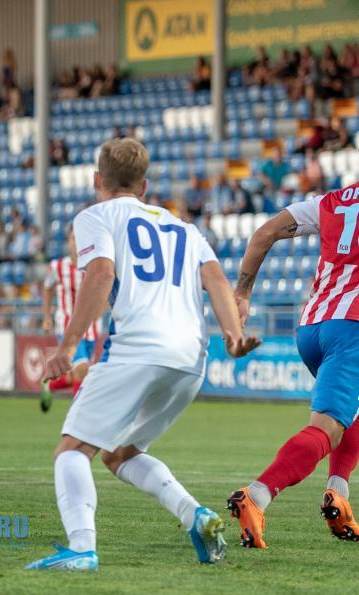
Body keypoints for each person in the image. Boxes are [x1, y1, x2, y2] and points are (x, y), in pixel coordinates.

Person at [24, 139, 260, 571]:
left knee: (72, 450)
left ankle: (81, 549)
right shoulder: (185, 229)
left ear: (97, 180)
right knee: (119, 453)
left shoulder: (96, 216)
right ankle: (195, 515)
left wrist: (67, 346)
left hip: (137, 349)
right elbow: (216, 281)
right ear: (144, 186)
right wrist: (233, 335)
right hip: (190, 358)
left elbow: (100, 274)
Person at [228, 181, 359, 547]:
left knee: (351, 412)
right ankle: (257, 495)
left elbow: (264, 233)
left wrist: (242, 292)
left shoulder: (332, 201)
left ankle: (338, 494)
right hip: (352, 328)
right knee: (327, 427)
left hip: (312, 327)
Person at [39, 225, 102, 412]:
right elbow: (47, 289)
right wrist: (47, 317)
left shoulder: (94, 267)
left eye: (80, 238)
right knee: (82, 369)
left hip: (92, 329)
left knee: (80, 373)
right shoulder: (57, 267)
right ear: (68, 242)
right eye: (73, 238)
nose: (77, 243)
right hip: (67, 327)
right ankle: (78, 416)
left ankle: (49, 386)